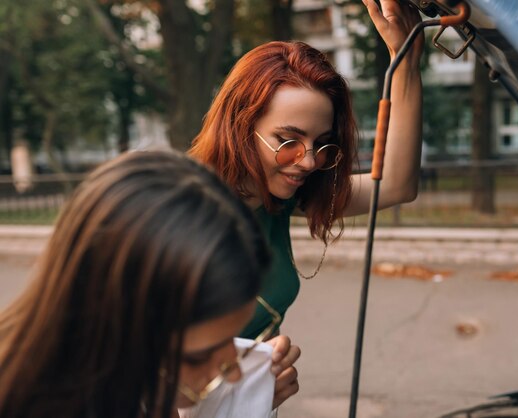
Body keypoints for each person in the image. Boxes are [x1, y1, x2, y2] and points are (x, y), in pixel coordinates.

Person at [0, 151, 299, 418]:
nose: (233, 375)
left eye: (233, 342)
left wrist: (242, 402)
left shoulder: (128, 389)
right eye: (199, 357)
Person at [188, 0, 424, 339]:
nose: (310, 162)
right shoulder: (182, 212)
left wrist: (406, 63)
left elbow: (397, 185)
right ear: (240, 128)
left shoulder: (276, 198)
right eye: (288, 141)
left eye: (322, 144)